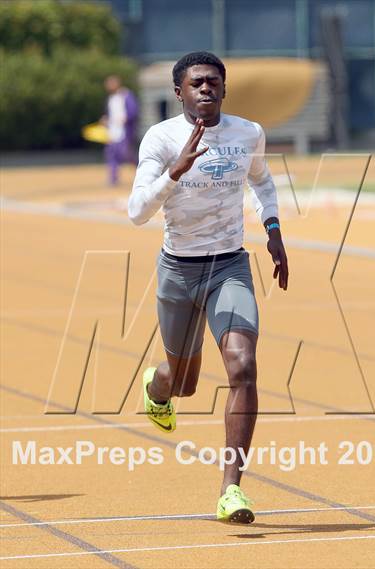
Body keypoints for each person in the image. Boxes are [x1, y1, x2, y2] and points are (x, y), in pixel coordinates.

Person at [128, 52, 288, 524]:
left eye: (213, 82)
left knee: (243, 365)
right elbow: (136, 212)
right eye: (196, 82)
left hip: (229, 267)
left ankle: (230, 491)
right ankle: (156, 387)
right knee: (184, 383)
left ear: (224, 88)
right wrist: (173, 172)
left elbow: (262, 182)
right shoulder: (160, 139)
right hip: (178, 270)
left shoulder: (248, 133)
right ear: (179, 92)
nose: (205, 89)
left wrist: (274, 229)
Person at [103, 75, 139, 186]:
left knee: (127, 155)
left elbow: (133, 111)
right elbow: (111, 114)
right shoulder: (111, 98)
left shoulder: (126, 95)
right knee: (111, 155)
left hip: (124, 132)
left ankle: (144, 171)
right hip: (112, 132)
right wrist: (106, 120)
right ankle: (113, 179)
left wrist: (126, 118)